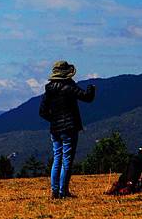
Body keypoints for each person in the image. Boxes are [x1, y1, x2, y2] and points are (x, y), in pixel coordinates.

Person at [39, 60, 96, 199]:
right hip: (69, 128)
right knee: (67, 160)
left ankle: (54, 191)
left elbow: (42, 111)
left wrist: (54, 120)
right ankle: (63, 191)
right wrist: (91, 88)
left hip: (55, 129)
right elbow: (87, 98)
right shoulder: (69, 87)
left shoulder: (49, 89)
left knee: (57, 158)